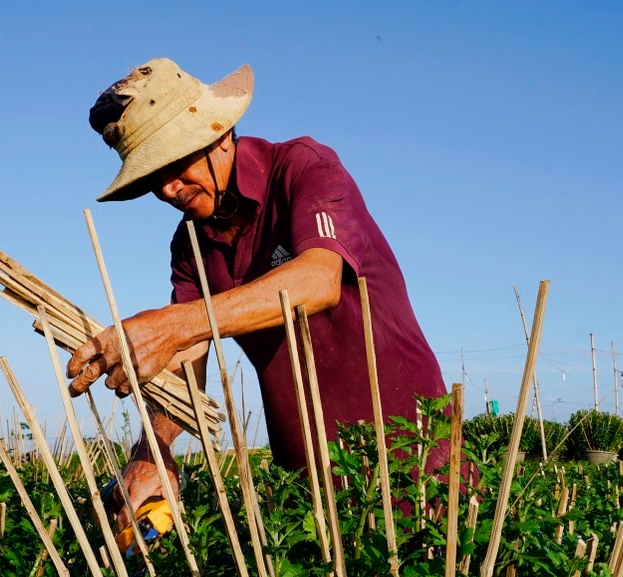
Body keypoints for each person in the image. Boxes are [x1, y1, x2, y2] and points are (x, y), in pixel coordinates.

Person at [68, 57, 452, 531]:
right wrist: (154, 450)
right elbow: (186, 356)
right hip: (304, 471)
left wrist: (172, 323)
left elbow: (318, 280)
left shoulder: (303, 169)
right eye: (152, 179)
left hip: (410, 448)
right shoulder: (190, 244)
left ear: (218, 133)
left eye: (173, 162)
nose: (168, 189)